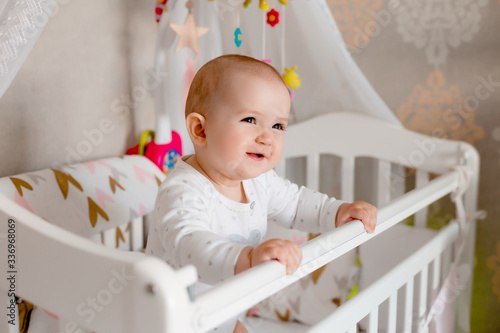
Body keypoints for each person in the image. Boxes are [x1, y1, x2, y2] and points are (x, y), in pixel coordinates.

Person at [146, 54, 377, 332]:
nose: (266, 137)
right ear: (200, 129)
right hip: (173, 321)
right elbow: (189, 246)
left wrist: (337, 212)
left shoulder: (260, 182)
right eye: (250, 119)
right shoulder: (184, 190)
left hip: (220, 314)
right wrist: (248, 258)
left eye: (278, 125)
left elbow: (296, 203)